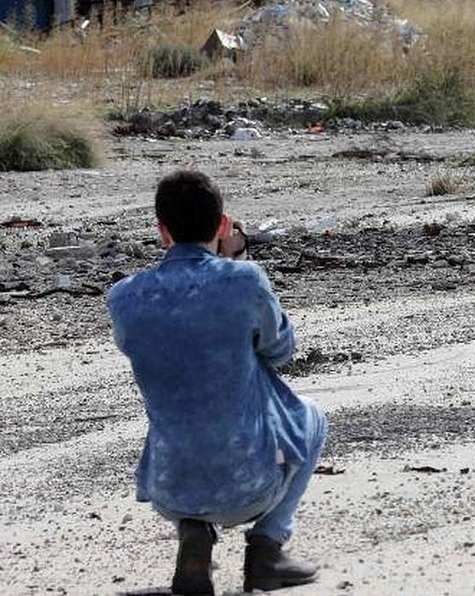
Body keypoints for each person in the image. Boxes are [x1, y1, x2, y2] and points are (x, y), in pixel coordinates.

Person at [107, 169, 326, 595]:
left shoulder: (124, 297)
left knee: (186, 386)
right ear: (223, 225)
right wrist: (237, 261)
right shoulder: (243, 280)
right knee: (312, 416)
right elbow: (281, 350)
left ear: (162, 231)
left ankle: (194, 539)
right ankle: (266, 547)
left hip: (169, 487)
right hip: (249, 484)